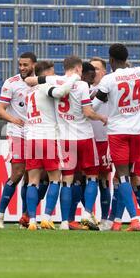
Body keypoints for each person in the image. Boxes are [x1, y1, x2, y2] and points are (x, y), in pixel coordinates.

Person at [26, 56, 108, 230]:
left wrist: (41, 78)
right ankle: (86, 214)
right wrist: (101, 117)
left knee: (67, 180)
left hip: (63, 138)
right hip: (84, 136)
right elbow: (87, 111)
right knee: (92, 176)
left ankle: (62, 221)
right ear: (79, 69)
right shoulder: (82, 85)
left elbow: (30, 80)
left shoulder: (55, 80)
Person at [95, 44, 140, 232]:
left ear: (110, 60)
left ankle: (133, 220)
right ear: (127, 60)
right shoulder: (139, 75)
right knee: (133, 178)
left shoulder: (109, 80)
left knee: (122, 177)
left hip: (118, 133)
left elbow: (93, 106)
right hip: (137, 134)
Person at [23, 61, 80, 231]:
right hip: (48, 137)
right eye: (52, 73)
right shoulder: (44, 86)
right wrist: (75, 77)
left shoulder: (29, 92)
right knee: (55, 178)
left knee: (32, 181)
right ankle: (46, 217)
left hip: (31, 138)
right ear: (45, 73)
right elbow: (61, 91)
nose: (55, 76)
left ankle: (32, 220)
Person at [0, 52, 41, 229]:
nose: (22, 68)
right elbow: (1, 109)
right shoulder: (11, 83)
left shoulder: (41, 83)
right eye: (20, 65)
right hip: (17, 132)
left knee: (33, 177)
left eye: (25, 65)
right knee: (18, 172)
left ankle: (25, 217)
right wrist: (14, 120)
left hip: (36, 132)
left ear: (34, 65)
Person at [89, 58, 113, 231]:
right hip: (87, 140)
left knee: (104, 180)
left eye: (97, 69)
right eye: (91, 68)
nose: (94, 72)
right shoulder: (83, 88)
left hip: (105, 141)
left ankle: (105, 218)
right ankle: (87, 215)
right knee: (84, 179)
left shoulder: (110, 88)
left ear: (104, 72)